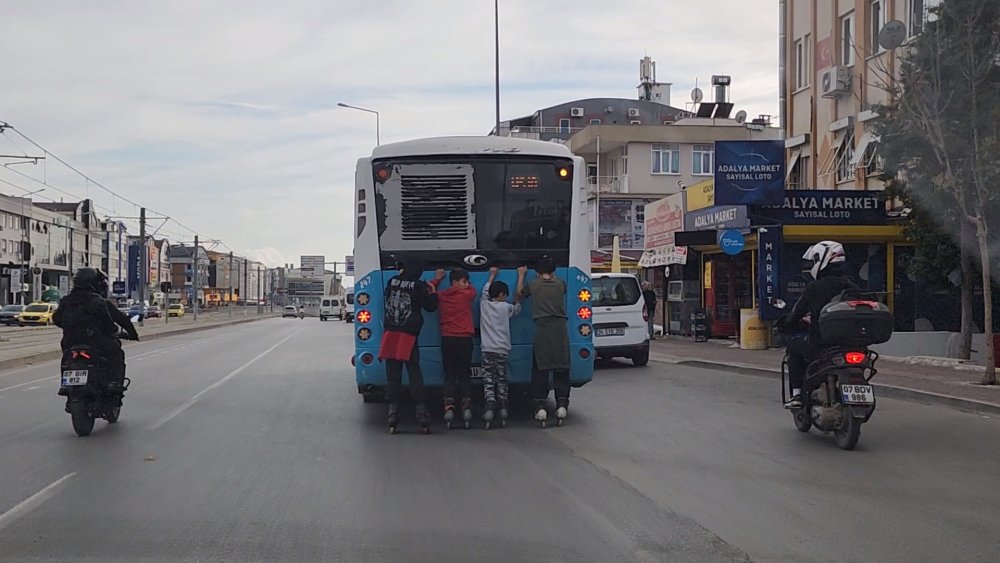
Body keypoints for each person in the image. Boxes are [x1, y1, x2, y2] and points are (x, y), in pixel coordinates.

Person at [781, 241, 857, 409]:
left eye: (813, 261)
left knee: (793, 347)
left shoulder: (815, 287)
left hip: (821, 345)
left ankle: (797, 394)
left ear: (821, 260)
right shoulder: (852, 285)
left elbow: (797, 313)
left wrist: (786, 323)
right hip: (851, 345)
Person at [53, 268, 139, 397]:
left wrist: (70, 328)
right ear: (94, 284)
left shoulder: (66, 300)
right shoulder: (98, 302)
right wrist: (125, 333)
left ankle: (65, 384)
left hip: (71, 341)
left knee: (67, 358)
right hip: (96, 342)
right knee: (116, 353)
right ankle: (114, 383)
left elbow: (56, 318)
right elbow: (112, 322)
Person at [378, 259, 438, 429]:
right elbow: (431, 307)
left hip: (390, 333)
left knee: (393, 374)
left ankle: (392, 413)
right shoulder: (418, 286)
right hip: (408, 335)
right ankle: (421, 412)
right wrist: (432, 291)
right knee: (414, 372)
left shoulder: (391, 282)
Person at [520, 256, 570, 425]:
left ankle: (540, 406)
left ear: (536, 272)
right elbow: (559, 284)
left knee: (540, 368)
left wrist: (521, 276)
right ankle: (562, 404)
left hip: (542, 330)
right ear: (553, 271)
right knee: (561, 368)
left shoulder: (533, 285)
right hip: (560, 330)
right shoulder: (561, 284)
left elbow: (518, 295)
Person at [430, 267, 477, 427]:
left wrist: (437, 278)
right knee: (464, 374)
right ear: (455, 282)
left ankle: (449, 405)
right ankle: (466, 404)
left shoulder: (441, 296)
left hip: (447, 339)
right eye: (464, 281)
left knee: (449, 374)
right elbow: (473, 290)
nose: (467, 284)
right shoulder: (467, 295)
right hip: (464, 340)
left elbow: (429, 288)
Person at [480, 265, 526, 427]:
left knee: (488, 379)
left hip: (487, 350)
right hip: (502, 350)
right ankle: (504, 406)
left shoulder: (484, 306)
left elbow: (484, 292)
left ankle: (490, 405)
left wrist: (492, 275)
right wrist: (521, 278)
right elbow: (518, 308)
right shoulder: (506, 308)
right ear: (502, 295)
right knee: (501, 379)